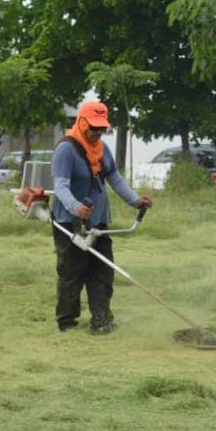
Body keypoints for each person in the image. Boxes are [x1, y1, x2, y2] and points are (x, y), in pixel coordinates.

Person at [51, 101, 152, 334]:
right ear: (82, 122)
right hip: (70, 223)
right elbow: (61, 186)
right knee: (71, 274)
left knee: (103, 273)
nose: (97, 132)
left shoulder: (103, 149)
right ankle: (67, 323)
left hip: (98, 222)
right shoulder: (66, 149)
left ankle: (102, 320)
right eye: (94, 127)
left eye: (102, 128)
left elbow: (114, 179)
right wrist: (76, 208)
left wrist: (136, 201)